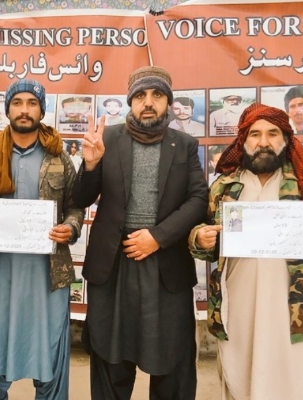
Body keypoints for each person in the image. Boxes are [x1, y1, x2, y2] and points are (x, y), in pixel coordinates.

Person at [190, 102, 303, 400]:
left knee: (291, 374)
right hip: (237, 299)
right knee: (239, 370)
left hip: (291, 305)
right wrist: (201, 238)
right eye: (255, 134)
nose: (264, 142)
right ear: (243, 140)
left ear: (285, 139)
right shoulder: (225, 186)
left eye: (272, 133)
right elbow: (203, 233)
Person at [74, 65, 207, 399]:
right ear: (130, 101)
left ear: (168, 102)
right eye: (141, 96)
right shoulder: (107, 139)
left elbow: (198, 199)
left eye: (157, 95)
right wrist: (90, 164)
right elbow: (81, 198)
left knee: (171, 361)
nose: (148, 102)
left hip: (165, 264)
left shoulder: (184, 144)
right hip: (114, 265)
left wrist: (157, 237)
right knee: (111, 360)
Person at [0, 78, 84, 400]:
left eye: (32, 103)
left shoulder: (58, 157)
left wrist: (70, 227)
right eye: (17, 103)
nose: (24, 110)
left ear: (42, 110)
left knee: (50, 351)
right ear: (7, 109)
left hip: (46, 275)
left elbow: (75, 206)